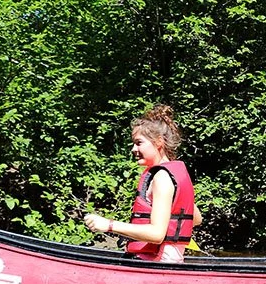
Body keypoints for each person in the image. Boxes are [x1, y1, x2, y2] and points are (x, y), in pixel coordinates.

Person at [84, 104, 202, 263]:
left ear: (159, 142)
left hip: (158, 262)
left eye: (139, 143)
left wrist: (109, 225)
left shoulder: (162, 177)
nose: (133, 149)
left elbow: (156, 234)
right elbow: (196, 218)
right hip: (167, 260)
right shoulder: (174, 174)